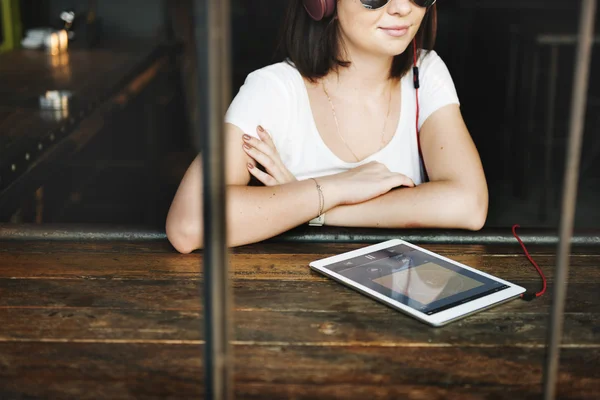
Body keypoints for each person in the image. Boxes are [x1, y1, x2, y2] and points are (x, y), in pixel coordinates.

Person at [166, 0, 488, 254]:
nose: (403, 8)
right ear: (323, 2)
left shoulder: (426, 71)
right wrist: (337, 186)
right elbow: (189, 224)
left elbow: (469, 205)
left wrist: (315, 208)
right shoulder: (275, 89)